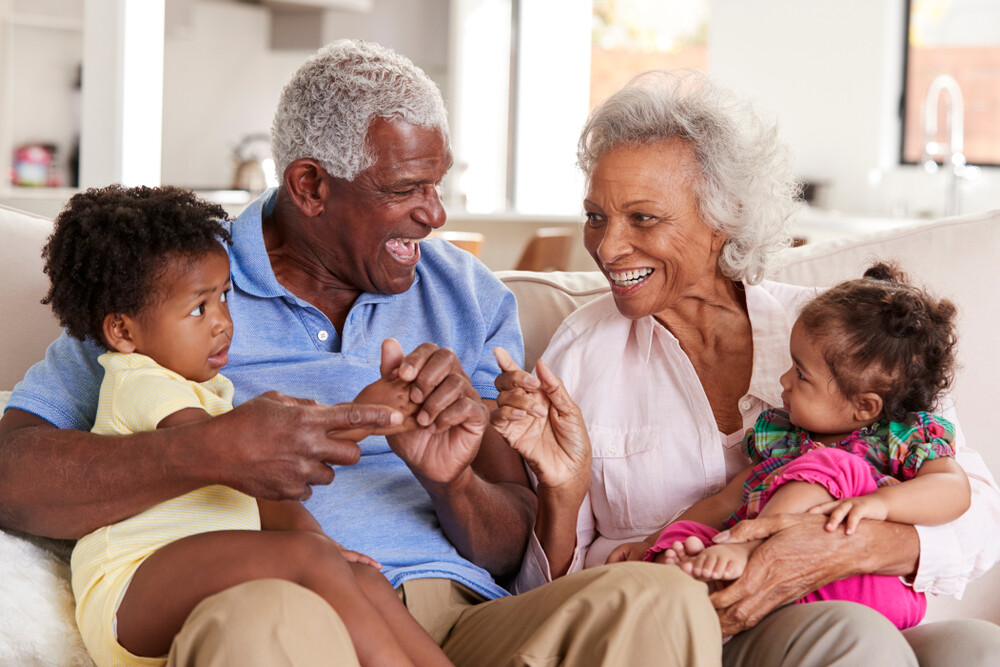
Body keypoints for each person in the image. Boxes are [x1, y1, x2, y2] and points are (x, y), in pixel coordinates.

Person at [0, 42, 718, 665]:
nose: (435, 215)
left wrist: (453, 481)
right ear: (311, 185)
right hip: (275, 607)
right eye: (406, 189)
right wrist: (211, 450)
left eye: (438, 185)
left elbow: (511, 545)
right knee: (265, 619)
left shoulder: (465, 294)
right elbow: (14, 473)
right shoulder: (172, 285)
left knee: (659, 598)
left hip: (452, 619)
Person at [491, 70, 1000, 666]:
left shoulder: (840, 331)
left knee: (976, 647)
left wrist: (843, 546)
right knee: (854, 640)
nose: (607, 248)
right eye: (596, 216)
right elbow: (545, 592)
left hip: (850, 598)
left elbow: (978, 517)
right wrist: (562, 490)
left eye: (643, 218)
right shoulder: (582, 352)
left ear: (723, 216)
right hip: (683, 628)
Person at [41, 184, 449, 667]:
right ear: (123, 331)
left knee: (361, 576)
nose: (222, 323)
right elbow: (246, 454)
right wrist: (363, 414)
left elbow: (265, 490)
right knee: (313, 559)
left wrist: (326, 547)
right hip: (132, 583)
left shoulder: (210, 392)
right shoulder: (139, 382)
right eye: (198, 308)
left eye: (224, 298)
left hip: (190, 576)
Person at [641, 262, 970, 631]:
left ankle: (754, 550)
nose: (783, 380)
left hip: (865, 587)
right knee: (689, 536)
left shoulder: (902, 438)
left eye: (800, 374)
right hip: (784, 594)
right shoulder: (787, 439)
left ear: (865, 405)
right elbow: (725, 501)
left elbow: (954, 490)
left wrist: (880, 504)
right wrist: (649, 544)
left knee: (831, 464)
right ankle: (683, 575)